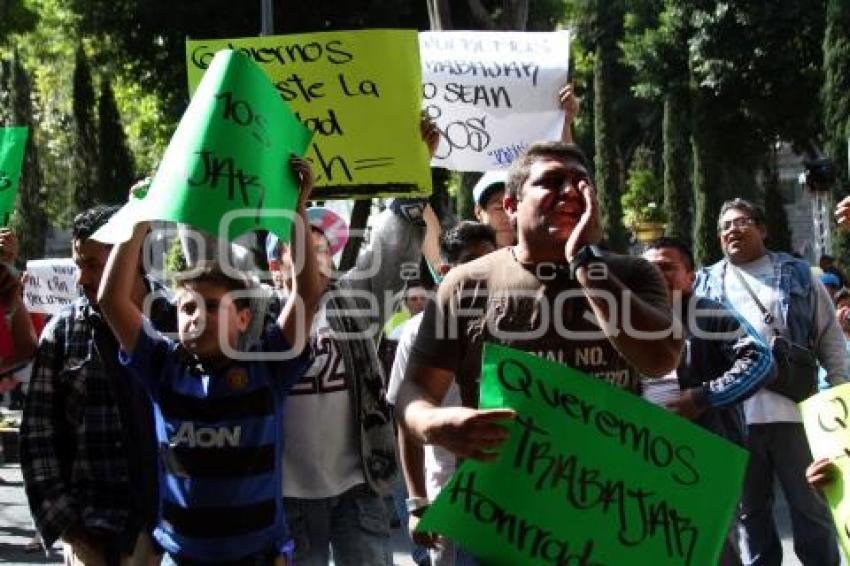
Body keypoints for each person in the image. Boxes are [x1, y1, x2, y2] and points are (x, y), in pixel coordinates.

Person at [396, 140, 682, 462]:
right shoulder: (464, 285)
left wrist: (584, 261)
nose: (571, 191)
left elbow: (660, 359)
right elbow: (414, 392)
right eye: (551, 181)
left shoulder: (633, 273)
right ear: (511, 206)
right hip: (503, 497)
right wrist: (435, 424)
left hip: (609, 492)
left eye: (581, 183)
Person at [98, 156, 321, 564]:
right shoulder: (162, 367)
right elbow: (111, 300)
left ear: (243, 317)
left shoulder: (268, 367)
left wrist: (297, 212)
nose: (197, 316)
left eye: (213, 307)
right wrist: (138, 218)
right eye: (186, 309)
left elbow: (306, 295)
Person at [694, 198, 847, 566]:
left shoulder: (800, 274)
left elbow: (830, 341)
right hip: (736, 421)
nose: (732, 229)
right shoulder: (705, 282)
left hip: (799, 416)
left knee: (811, 510)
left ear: (762, 229)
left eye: (741, 222)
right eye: (724, 226)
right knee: (751, 518)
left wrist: (839, 403)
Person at [20, 205, 175, 565]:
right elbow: (37, 436)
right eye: (78, 264)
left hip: (170, 534)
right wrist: (69, 527)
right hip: (92, 533)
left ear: (130, 257)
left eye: (93, 265)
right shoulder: (62, 332)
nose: (82, 279)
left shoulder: (176, 320)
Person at [267, 205, 397, 566]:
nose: (316, 258)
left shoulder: (354, 303)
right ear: (275, 267)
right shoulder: (255, 318)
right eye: (303, 249)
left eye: (322, 249)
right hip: (283, 495)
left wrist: (412, 192)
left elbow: (388, 253)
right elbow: (211, 258)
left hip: (357, 488)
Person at [643, 237, 776, 566]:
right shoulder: (624, 319)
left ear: (691, 277)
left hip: (707, 455)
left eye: (667, 268)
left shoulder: (711, 314)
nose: (657, 276)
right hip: (643, 453)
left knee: (712, 547)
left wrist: (703, 397)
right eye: (648, 270)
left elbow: (761, 361)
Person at [388, 221, 497, 566]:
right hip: (447, 499)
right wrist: (417, 503)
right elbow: (405, 418)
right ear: (445, 272)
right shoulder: (418, 332)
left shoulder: (519, 320)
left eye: (491, 263)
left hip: (509, 497)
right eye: (472, 263)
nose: (483, 274)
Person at [469, 83, 581, 251]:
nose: (508, 214)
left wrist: (563, 123)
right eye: (499, 207)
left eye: (515, 204)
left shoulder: (546, 256)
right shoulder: (465, 262)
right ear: (479, 212)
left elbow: (566, 178)